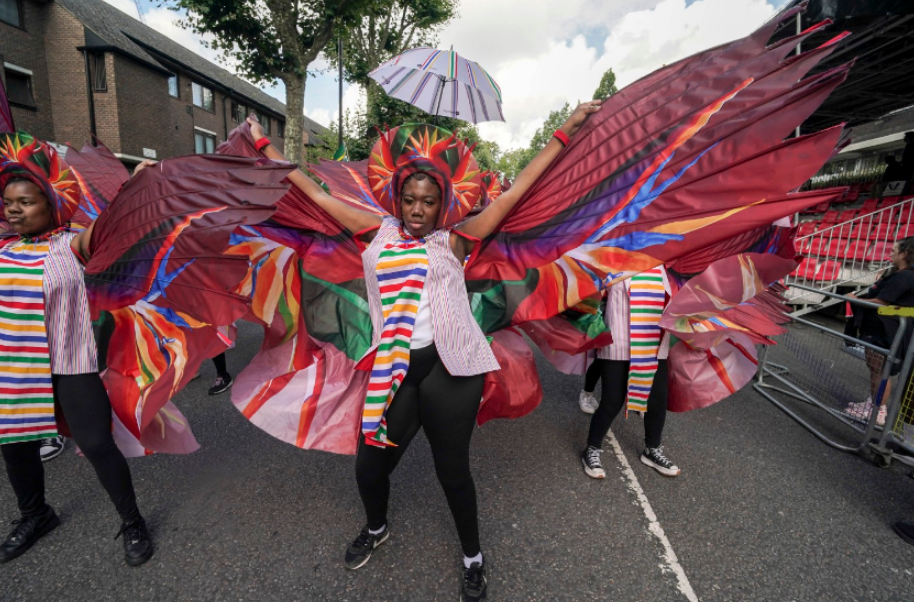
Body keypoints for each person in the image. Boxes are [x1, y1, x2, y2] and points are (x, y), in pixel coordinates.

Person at [247, 101, 600, 602]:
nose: (417, 209)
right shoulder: (374, 232)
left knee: (451, 469)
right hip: (395, 368)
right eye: (410, 199)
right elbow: (311, 191)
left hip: (450, 370)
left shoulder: (457, 240)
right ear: (396, 197)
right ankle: (376, 527)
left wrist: (566, 130)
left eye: (428, 201)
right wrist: (262, 145)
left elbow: (518, 192)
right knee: (370, 466)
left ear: (443, 204)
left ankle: (474, 558)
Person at [0, 161, 156, 566]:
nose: (13, 210)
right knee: (16, 448)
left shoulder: (72, 244)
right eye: (8, 203)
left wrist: (137, 182)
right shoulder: (4, 248)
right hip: (16, 367)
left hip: (71, 361)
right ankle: (36, 516)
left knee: (97, 444)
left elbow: (114, 223)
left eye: (25, 202)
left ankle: (132, 521)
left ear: (51, 205)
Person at [581, 266, 681, 480]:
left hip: (653, 342)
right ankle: (591, 449)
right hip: (618, 340)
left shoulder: (663, 262)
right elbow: (589, 291)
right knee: (611, 401)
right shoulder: (613, 258)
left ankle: (652, 449)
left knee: (656, 400)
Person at [846, 237, 914, 426]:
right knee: (878, 370)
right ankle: (874, 404)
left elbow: (881, 302)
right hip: (885, 329)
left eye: (894, 250)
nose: (890, 253)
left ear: (904, 253)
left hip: (884, 330)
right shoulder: (900, 274)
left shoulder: (904, 277)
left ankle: (878, 410)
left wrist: (853, 298)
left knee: (879, 370)